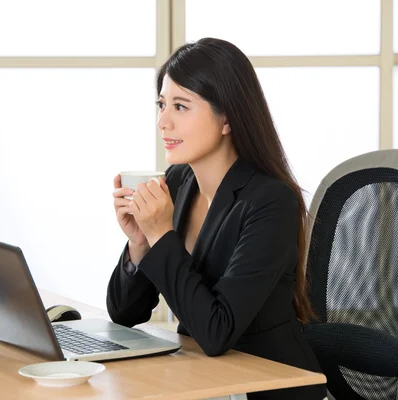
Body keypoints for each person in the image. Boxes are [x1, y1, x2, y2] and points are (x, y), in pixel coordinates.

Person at [106, 37, 326, 400]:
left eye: (180, 106)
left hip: (265, 386)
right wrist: (140, 242)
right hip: (204, 381)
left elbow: (216, 332)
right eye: (162, 105)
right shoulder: (177, 183)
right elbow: (124, 313)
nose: (163, 121)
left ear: (226, 118)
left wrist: (162, 234)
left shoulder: (271, 202)